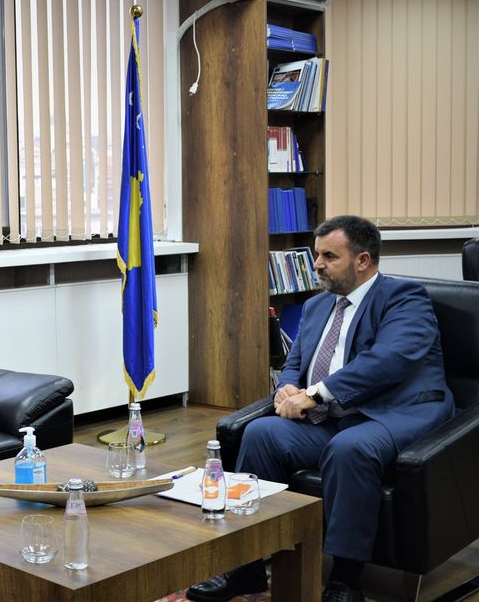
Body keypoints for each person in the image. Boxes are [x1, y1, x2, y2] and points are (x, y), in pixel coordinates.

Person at [186, 215, 455, 602]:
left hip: (394, 412)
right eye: (317, 255)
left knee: (350, 449)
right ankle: (246, 565)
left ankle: (345, 580)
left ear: (362, 260)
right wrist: (286, 387)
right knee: (260, 434)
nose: (317, 264)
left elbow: (389, 360)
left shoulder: (404, 298)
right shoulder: (316, 306)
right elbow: (295, 361)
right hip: (332, 418)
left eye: (330, 256)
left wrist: (314, 395)